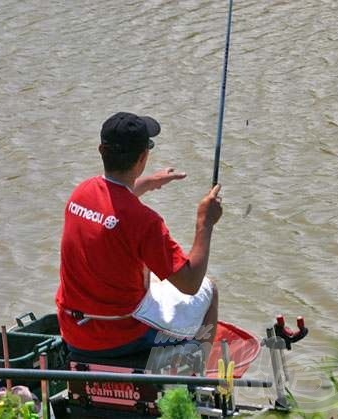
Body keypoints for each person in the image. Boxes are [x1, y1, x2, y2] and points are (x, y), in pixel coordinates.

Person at [55, 111, 222, 361]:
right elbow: (190, 283)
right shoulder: (145, 222)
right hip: (124, 336)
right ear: (143, 157)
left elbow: (113, 205)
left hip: (74, 331)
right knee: (209, 290)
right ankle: (195, 375)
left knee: (147, 274)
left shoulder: (80, 194)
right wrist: (204, 222)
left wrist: (149, 182)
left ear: (101, 150)